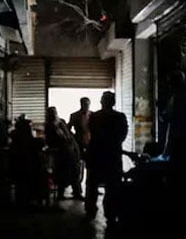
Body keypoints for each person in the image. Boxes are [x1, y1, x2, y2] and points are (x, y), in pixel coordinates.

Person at [85, 92, 128, 222]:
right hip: (112, 156)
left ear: (101, 102)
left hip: (96, 155)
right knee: (112, 186)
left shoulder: (94, 117)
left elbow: (91, 132)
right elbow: (122, 135)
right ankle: (111, 213)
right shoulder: (119, 117)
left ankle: (91, 210)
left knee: (92, 184)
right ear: (113, 102)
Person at [45, 106, 81, 201]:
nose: (54, 114)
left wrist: (75, 148)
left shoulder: (62, 122)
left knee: (75, 172)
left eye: (54, 112)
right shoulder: (49, 126)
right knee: (63, 174)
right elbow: (49, 140)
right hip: (61, 153)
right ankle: (60, 194)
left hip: (70, 150)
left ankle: (77, 193)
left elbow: (69, 135)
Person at [68, 97, 92, 199]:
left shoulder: (93, 115)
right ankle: (77, 191)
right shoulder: (74, 115)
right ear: (80, 104)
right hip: (78, 144)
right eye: (84, 104)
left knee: (91, 168)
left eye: (87, 104)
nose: (85, 106)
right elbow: (68, 129)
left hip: (91, 144)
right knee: (76, 169)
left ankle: (90, 190)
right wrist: (74, 138)